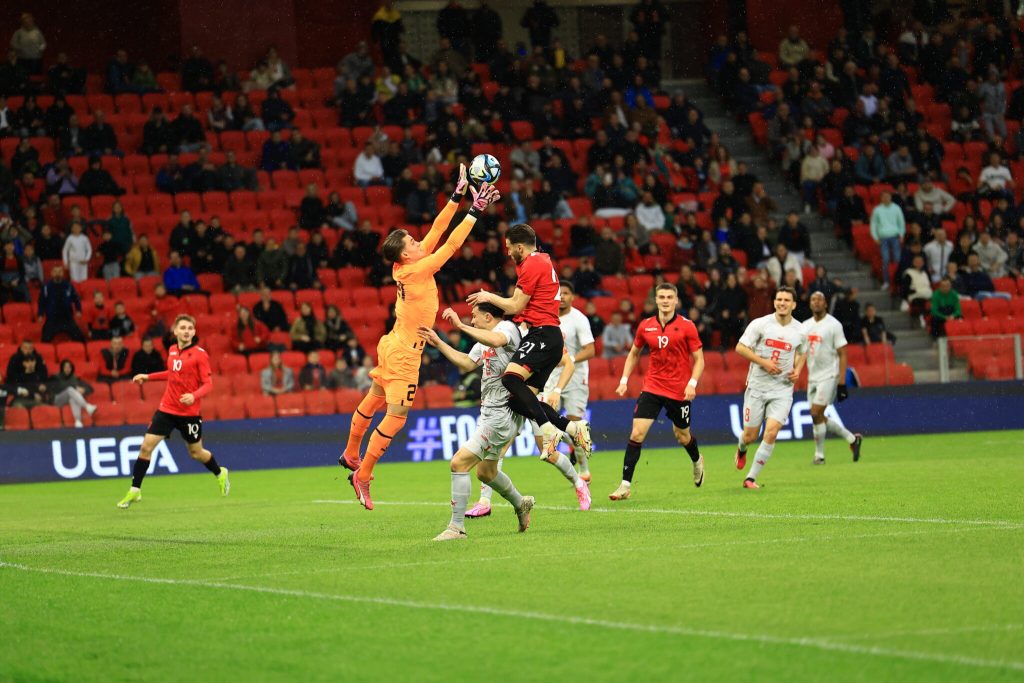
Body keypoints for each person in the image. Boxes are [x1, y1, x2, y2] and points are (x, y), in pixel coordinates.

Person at [340, 168, 500, 510]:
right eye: (412, 243)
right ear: (405, 256)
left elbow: (439, 229)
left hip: (392, 343)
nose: (418, 241)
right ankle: (363, 475)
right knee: (396, 417)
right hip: (405, 353)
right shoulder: (416, 269)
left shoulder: (406, 265)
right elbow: (453, 243)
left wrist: (457, 196)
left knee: (374, 399)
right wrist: (476, 209)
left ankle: (352, 453)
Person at [467, 224, 593, 462]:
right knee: (518, 401)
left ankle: (548, 432)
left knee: (510, 379)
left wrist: (488, 296)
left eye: (508, 248)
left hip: (543, 335)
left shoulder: (533, 264)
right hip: (547, 336)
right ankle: (573, 429)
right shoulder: (540, 261)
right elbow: (522, 309)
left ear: (520, 247)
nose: (507, 253)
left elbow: (515, 306)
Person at [420, 302, 538, 540]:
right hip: (490, 413)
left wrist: (460, 325)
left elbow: (496, 341)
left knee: (459, 463)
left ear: (487, 316)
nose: (472, 321)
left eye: (474, 317)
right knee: (486, 472)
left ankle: (456, 527)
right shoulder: (484, 339)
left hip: (502, 413)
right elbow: (466, 363)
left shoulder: (507, 329)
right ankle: (520, 503)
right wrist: (440, 343)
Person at [117, 315, 228, 508]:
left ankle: (220, 472)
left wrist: (194, 396)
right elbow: (172, 373)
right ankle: (135, 491)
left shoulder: (200, 354)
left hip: (189, 413)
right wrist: (148, 377)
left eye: (190, 328)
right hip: (167, 409)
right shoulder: (172, 351)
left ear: (194, 332)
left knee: (196, 452)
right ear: (175, 331)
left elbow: (208, 384)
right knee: (146, 447)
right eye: (183, 328)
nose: (186, 331)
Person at [609, 283, 706, 501]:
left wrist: (692, 383)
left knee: (682, 436)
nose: (665, 300)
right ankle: (625, 485)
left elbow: (700, 359)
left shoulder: (687, 326)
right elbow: (634, 353)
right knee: (636, 433)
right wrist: (624, 379)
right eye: (661, 296)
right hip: (652, 387)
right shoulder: (645, 326)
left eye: (669, 297)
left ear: (676, 300)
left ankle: (697, 459)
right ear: (656, 300)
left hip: (679, 390)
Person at [734, 287, 808, 489]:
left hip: (782, 389)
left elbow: (803, 352)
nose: (782, 303)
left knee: (772, 432)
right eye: (779, 299)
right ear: (774, 302)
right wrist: (764, 362)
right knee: (750, 436)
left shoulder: (801, 330)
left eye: (786, 300)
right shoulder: (760, 324)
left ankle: (750, 478)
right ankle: (742, 449)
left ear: (793, 305)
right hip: (757, 386)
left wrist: (798, 369)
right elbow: (740, 348)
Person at [802, 291, 863, 466]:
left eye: (820, 299)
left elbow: (843, 354)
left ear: (826, 304)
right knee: (817, 415)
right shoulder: (805, 326)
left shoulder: (834, 325)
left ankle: (819, 456)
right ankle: (852, 439)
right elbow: (802, 352)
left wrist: (842, 382)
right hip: (812, 376)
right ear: (810, 304)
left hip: (829, 375)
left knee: (815, 412)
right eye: (813, 299)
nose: (816, 302)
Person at [38, 266, 84, 342]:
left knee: (79, 338)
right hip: (52, 318)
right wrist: (40, 314)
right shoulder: (46, 287)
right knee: (45, 339)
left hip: (67, 318)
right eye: (55, 271)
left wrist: (78, 309)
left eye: (60, 271)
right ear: (51, 273)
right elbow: (41, 302)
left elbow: (76, 299)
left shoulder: (68, 286)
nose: (58, 273)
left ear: (63, 273)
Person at [870, 192, 905, 291]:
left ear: (891, 197)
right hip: (883, 238)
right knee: (885, 260)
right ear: (881, 198)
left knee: (898, 260)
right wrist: (875, 237)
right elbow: (873, 224)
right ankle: (886, 282)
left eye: (887, 196)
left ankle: (898, 281)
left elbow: (901, 222)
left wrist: (901, 235)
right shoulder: (877, 210)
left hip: (895, 236)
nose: (886, 198)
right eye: (884, 197)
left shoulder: (896, 208)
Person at [49, 360, 97, 428]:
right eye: (65, 367)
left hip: (68, 399)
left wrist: (84, 390)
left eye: (69, 367)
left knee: (73, 398)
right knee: (70, 390)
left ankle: (78, 421)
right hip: (56, 400)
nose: (67, 369)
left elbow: (90, 388)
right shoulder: (55, 377)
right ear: (62, 368)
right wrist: (76, 388)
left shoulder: (74, 378)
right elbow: (59, 388)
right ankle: (86, 406)